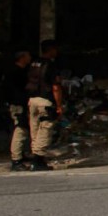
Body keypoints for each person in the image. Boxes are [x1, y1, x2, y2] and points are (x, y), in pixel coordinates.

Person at [24, 39, 63, 171]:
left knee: (35, 130)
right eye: (55, 49)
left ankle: (36, 157)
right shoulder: (50, 65)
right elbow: (56, 86)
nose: (56, 52)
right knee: (46, 129)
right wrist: (59, 105)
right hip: (45, 101)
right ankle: (38, 159)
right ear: (51, 49)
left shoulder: (33, 64)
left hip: (32, 100)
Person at [2, 50, 33, 171]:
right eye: (27, 56)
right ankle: (16, 159)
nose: (29, 58)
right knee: (20, 129)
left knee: (23, 129)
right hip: (17, 104)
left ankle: (20, 154)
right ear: (22, 58)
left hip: (21, 103)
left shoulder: (22, 71)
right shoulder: (14, 72)